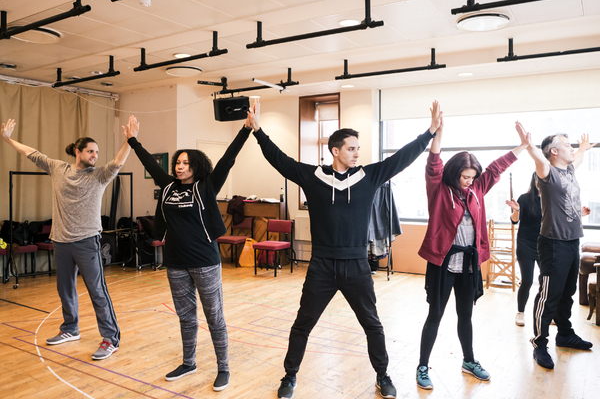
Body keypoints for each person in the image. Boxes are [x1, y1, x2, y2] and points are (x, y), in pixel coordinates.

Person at [247, 98, 443, 399]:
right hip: (321, 266)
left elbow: (402, 158)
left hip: (357, 266)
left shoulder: (369, 176)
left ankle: (382, 375)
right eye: (351, 148)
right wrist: (258, 131)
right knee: (303, 324)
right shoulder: (313, 177)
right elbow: (279, 159)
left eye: (358, 149)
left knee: (372, 325)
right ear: (335, 150)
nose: (356, 154)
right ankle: (289, 377)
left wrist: (429, 132)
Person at [124, 113, 252, 390]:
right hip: (175, 261)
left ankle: (223, 368)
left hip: (205, 260)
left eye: (185, 163)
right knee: (185, 316)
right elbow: (148, 161)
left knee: (214, 316)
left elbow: (228, 159)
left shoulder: (207, 186)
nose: (180, 167)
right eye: (177, 163)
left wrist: (245, 129)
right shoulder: (168, 186)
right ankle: (189, 361)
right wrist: (133, 140)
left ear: (196, 166)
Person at [1, 117, 135, 360]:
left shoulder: (100, 176)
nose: (95, 155)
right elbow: (33, 153)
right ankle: (70, 329)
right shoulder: (58, 169)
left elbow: (117, 162)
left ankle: (110, 338)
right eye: (90, 151)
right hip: (60, 241)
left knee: (97, 291)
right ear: (78, 152)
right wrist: (8, 139)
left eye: (96, 152)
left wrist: (129, 140)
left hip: (87, 242)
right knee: (65, 289)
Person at [415, 120, 529, 390]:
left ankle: (469, 360)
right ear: (454, 174)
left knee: (465, 315)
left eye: (472, 177)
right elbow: (433, 164)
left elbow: (497, 167)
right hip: (443, 264)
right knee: (435, 315)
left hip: (468, 265)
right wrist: (438, 133)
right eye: (464, 177)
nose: (469, 181)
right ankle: (422, 366)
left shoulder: (477, 189)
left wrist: (522, 146)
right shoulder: (439, 189)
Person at [518, 122, 596, 370]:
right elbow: (539, 161)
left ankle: (565, 334)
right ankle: (540, 344)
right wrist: (529, 145)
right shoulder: (548, 173)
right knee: (548, 296)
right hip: (553, 244)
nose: (571, 148)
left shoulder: (570, 170)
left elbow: (579, 157)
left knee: (567, 293)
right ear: (553, 151)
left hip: (573, 241)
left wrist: (583, 147)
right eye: (567, 145)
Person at [506, 172, 542, 327]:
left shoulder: (550, 199)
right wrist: (517, 210)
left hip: (544, 245)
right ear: (534, 180)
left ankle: (546, 312)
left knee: (547, 281)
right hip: (525, 244)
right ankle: (520, 312)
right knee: (527, 281)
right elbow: (514, 221)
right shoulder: (524, 198)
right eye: (538, 179)